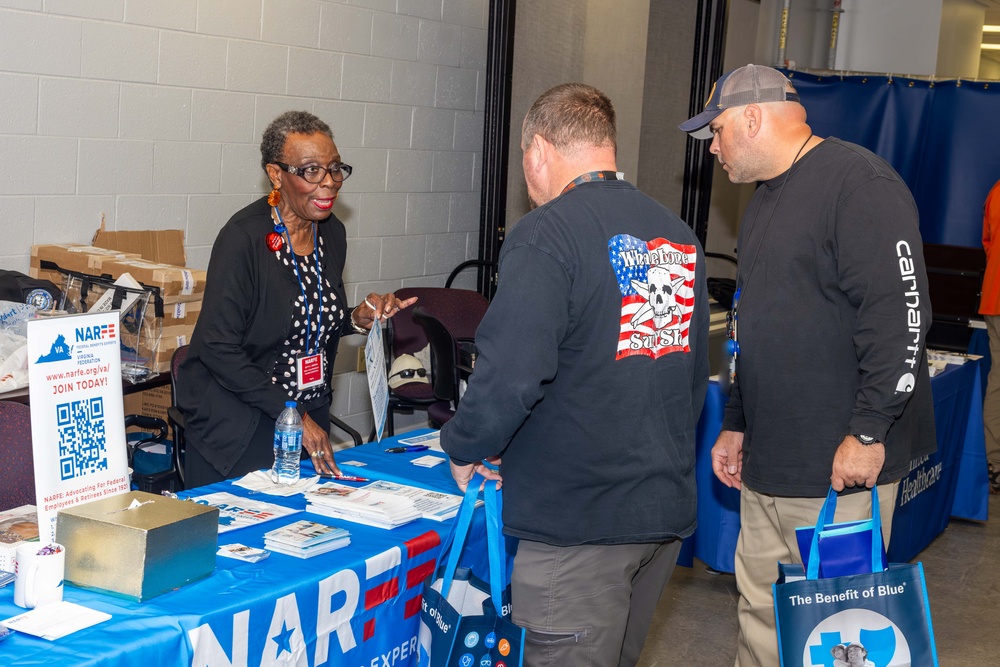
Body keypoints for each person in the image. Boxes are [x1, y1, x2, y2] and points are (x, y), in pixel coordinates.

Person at [441, 83, 709, 667]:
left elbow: (512, 373)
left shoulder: (547, 234)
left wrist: (465, 443)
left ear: (538, 149)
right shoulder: (678, 236)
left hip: (580, 530)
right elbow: (688, 380)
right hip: (658, 515)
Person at [678, 64, 935, 667]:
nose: (712, 148)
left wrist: (869, 431)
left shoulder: (860, 184)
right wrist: (737, 419)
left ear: (751, 115)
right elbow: (751, 319)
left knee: (834, 634)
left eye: (715, 131)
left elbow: (902, 318)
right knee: (761, 616)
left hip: (837, 471)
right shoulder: (765, 199)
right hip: (770, 462)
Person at [178, 110, 415, 487]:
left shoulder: (331, 233)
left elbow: (306, 320)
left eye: (335, 169)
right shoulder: (243, 239)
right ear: (276, 175)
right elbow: (217, 347)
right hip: (243, 425)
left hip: (309, 414)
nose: (329, 183)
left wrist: (356, 317)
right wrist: (292, 415)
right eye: (311, 171)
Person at [978, 179, 1000, 494]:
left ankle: (994, 463)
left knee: (999, 378)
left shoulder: (996, 189)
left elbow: (987, 241)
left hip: (995, 296)